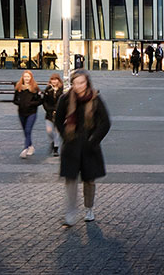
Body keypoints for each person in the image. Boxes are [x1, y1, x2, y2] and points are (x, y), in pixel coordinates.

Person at [55, 70, 111, 225]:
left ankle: (89, 208)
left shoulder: (95, 99)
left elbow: (105, 122)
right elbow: (58, 120)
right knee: (70, 180)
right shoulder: (65, 99)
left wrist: (93, 140)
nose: (78, 86)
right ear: (72, 84)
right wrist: (66, 136)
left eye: (82, 82)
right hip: (71, 145)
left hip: (89, 146)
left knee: (89, 180)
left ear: (87, 83)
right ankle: (71, 212)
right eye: (76, 83)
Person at [13, 70, 43, 158]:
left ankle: (25, 148)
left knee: (28, 129)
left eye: (28, 77)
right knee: (25, 131)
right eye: (25, 76)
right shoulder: (19, 88)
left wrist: (31, 104)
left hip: (32, 112)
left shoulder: (35, 88)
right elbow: (14, 100)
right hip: (21, 112)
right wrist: (20, 103)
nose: (26, 78)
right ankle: (30, 146)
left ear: (31, 78)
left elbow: (40, 100)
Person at [42, 73, 65, 156]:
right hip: (49, 114)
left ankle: (56, 148)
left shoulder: (62, 90)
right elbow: (44, 101)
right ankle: (52, 141)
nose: (54, 81)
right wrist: (49, 109)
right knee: (49, 131)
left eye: (56, 79)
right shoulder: (48, 90)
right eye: (52, 79)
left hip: (59, 114)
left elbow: (64, 102)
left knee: (57, 132)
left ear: (58, 80)